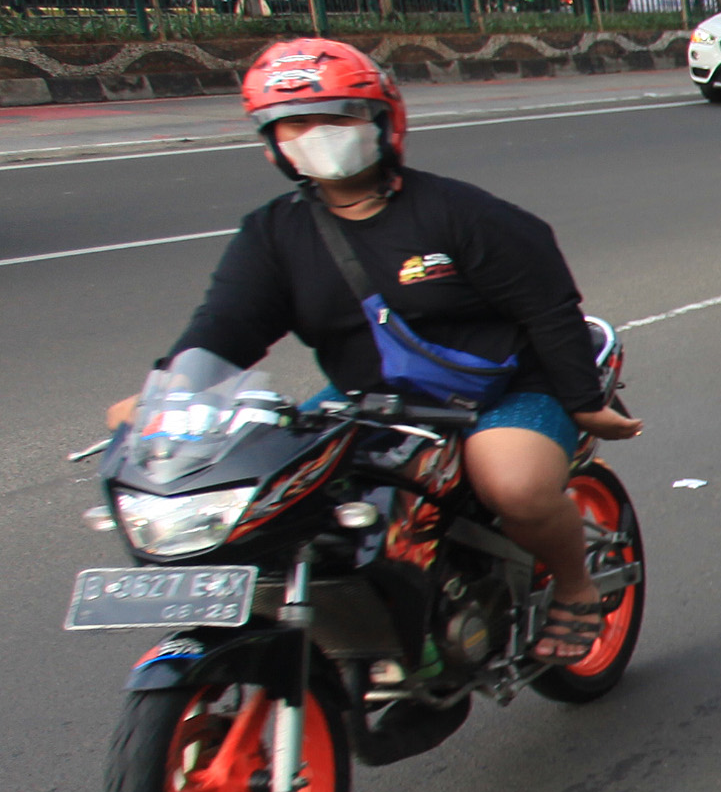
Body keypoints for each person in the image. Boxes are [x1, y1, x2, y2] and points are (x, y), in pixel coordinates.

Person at [122, 37, 641, 656]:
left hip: (502, 390)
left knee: (515, 487)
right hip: (367, 400)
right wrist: (175, 392)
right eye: (294, 124)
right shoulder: (274, 233)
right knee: (280, 495)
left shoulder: (456, 212)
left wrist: (582, 402)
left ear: (381, 121)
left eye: (336, 118)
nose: (316, 134)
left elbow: (547, 303)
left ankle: (577, 588)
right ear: (272, 144)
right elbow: (223, 326)